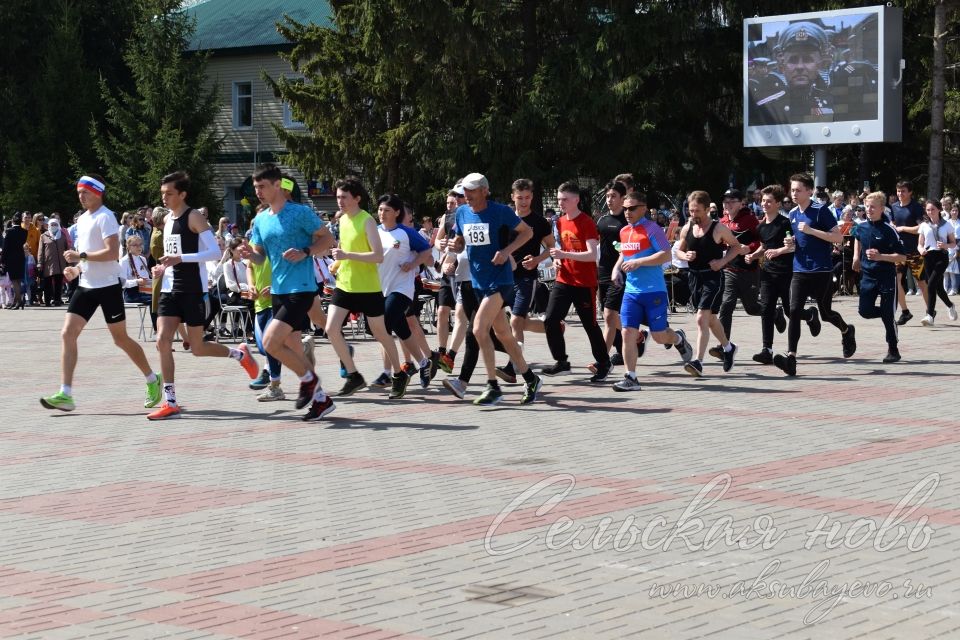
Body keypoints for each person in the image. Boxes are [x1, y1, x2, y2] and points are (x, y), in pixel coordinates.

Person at [39, 175, 162, 412]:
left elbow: (112, 252)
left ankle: (151, 379)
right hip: (86, 285)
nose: (81, 197)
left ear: (97, 193)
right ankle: (66, 393)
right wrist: (76, 269)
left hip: (108, 286)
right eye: (78, 193)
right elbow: (87, 256)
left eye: (84, 192)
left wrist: (79, 257)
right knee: (67, 333)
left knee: (120, 339)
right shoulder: (83, 219)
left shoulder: (106, 217)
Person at [148, 171, 261, 421]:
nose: (164, 198)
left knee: (198, 348)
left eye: (169, 193)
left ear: (182, 194)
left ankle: (239, 354)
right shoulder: (167, 220)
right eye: (162, 194)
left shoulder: (194, 217)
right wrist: (162, 267)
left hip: (192, 290)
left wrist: (181, 259)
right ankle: (171, 401)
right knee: (162, 341)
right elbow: (172, 255)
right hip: (169, 289)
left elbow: (212, 252)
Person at [240, 164, 336, 419]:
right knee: (292, 348)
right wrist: (250, 255)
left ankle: (308, 380)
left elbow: (327, 240)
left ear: (277, 185)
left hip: (301, 288)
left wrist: (305, 251)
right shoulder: (260, 219)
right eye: (255, 187)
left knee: (270, 343)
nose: (258, 191)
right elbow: (261, 257)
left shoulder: (300, 213)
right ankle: (321, 400)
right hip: (278, 290)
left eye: (262, 186)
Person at [447, 172, 542, 405]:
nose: (466, 196)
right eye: (463, 192)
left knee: (479, 329)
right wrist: (453, 244)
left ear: (484, 191)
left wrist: (507, 251)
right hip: (477, 280)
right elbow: (461, 241)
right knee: (503, 335)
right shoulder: (461, 213)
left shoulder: (500, 211)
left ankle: (493, 387)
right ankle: (530, 379)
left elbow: (527, 232)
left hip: (500, 280)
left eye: (471, 191)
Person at [323, 178, 410, 399]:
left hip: (368, 288)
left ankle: (399, 374)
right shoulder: (342, 220)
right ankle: (354, 375)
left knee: (380, 333)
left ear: (357, 198)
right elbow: (344, 249)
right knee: (331, 329)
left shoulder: (367, 221)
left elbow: (377, 256)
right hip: (345, 285)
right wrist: (338, 263)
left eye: (344, 197)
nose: (340, 201)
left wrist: (347, 256)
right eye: (338, 197)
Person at [608, 192, 694, 391]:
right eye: (625, 208)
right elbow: (624, 253)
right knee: (628, 333)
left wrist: (639, 262)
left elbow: (665, 255)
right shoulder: (624, 231)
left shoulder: (652, 228)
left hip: (654, 291)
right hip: (631, 292)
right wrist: (616, 268)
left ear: (643, 208)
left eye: (632, 208)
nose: (627, 212)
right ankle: (631, 377)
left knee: (658, 336)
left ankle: (678, 338)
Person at [773, 173, 856, 376]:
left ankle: (847, 330)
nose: (794, 193)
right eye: (792, 190)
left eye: (798, 190)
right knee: (793, 311)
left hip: (822, 269)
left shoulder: (821, 211)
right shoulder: (792, 214)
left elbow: (837, 237)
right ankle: (791, 357)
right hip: (799, 269)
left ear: (809, 191)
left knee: (826, 313)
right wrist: (790, 243)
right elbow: (798, 240)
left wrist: (811, 231)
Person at [541, 182, 611, 381]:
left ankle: (604, 363)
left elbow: (592, 255)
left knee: (590, 325)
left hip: (584, 282)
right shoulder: (560, 221)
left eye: (565, 199)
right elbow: (560, 249)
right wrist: (557, 260)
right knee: (551, 319)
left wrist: (564, 253)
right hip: (565, 279)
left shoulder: (586, 222)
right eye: (559, 199)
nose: (560, 203)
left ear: (576, 200)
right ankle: (562, 362)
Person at [675, 190, 743, 376]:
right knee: (711, 318)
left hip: (713, 278)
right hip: (694, 277)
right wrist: (685, 255)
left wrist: (721, 262)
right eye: (690, 210)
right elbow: (679, 251)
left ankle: (698, 361)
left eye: (697, 211)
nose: (693, 214)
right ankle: (728, 348)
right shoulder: (688, 227)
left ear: (707, 209)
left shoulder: (718, 228)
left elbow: (736, 247)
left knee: (701, 318)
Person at [371, 194, 436, 389]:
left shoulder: (406, 232)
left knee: (384, 326)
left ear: (397, 212)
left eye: (387, 210)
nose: (382, 213)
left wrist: (413, 263)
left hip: (402, 288)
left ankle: (392, 374)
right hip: (381, 288)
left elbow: (427, 251)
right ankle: (424, 363)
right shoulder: (374, 232)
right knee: (402, 329)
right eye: (380, 209)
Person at [496, 178, 554, 383]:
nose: (523, 201)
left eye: (527, 197)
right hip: (503, 278)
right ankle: (553, 326)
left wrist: (538, 259)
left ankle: (513, 368)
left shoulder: (539, 222)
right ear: (512, 197)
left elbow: (553, 247)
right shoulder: (505, 218)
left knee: (515, 320)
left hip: (526, 278)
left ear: (532, 197)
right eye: (519, 197)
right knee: (511, 322)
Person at [851, 192, 905, 363]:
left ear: (882, 208)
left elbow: (902, 257)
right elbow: (857, 238)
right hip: (867, 275)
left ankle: (893, 349)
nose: (869, 209)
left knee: (888, 315)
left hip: (886, 276)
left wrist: (881, 256)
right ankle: (888, 316)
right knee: (864, 311)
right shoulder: (861, 226)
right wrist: (856, 257)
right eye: (867, 206)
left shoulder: (889, 230)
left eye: (873, 206)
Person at [745, 185, 796, 364]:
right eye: (763, 201)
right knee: (766, 310)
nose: (764, 204)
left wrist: (778, 251)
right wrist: (754, 255)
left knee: (792, 311)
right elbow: (764, 246)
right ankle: (767, 350)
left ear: (777, 204)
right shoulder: (761, 226)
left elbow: (792, 246)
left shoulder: (785, 223)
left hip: (786, 273)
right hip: (767, 274)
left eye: (769, 201)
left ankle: (810, 315)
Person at [751, 22, 834, 125]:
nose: (800, 67)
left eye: (808, 59)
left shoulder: (830, 101)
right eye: (793, 60)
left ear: (819, 65)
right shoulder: (766, 108)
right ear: (782, 65)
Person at [714, 188, 762, 357]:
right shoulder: (722, 222)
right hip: (729, 270)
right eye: (725, 201)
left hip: (749, 270)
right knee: (726, 305)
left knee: (752, 308)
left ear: (741, 202)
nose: (728, 204)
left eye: (732, 201)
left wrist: (749, 248)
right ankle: (723, 346)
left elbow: (762, 240)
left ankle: (774, 312)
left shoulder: (750, 220)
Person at [594, 181, 630, 368]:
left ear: (623, 198)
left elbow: (626, 251)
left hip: (621, 273)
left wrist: (619, 268)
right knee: (608, 315)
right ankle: (637, 336)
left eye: (613, 196)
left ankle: (603, 361)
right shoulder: (601, 221)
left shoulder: (627, 223)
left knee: (609, 315)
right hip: (603, 272)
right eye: (607, 196)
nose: (609, 200)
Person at [917, 199, 958, 326]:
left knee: (931, 285)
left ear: (939, 209)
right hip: (928, 256)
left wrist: (945, 245)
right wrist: (921, 250)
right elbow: (920, 244)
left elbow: (953, 243)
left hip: (941, 256)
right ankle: (950, 305)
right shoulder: (924, 225)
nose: (930, 212)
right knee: (938, 287)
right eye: (928, 210)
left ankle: (929, 315)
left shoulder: (947, 225)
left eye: (933, 209)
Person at [890, 180, 926, 325]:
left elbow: (921, 227)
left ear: (910, 192)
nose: (900, 194)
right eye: (898, 191)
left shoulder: (916, 207)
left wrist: (903, 228)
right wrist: (893, 227)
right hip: (899, 251)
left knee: (921, 282)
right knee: (896, 280)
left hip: (914, 251)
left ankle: (929, 311)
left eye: (903, 191)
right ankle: (905, 312)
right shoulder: (894, 207)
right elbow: (893, 222)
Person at [37, 218, 69, 306]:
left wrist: (68, 261)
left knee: (59, 283)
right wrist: (39, 263)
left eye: (55, 224)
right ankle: (47, 301)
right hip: (48, 264)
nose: (53, 226)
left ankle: (57, 300)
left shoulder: (62, 235)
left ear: (58, 225)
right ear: (49, 225)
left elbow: (67, 249)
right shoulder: (44, 236)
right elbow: (40, 251)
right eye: (52, 224)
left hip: (60, 263)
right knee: (47, 284)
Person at [1, 213, 27, 308]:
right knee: (18, 280)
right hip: (20, 257)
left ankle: (19, 301)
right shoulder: (24, 231)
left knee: (14, 281)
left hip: (11, 258)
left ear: (12, 221)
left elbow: (6, 247)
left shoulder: (9, 231)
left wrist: (2, 260)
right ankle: (15, 302)